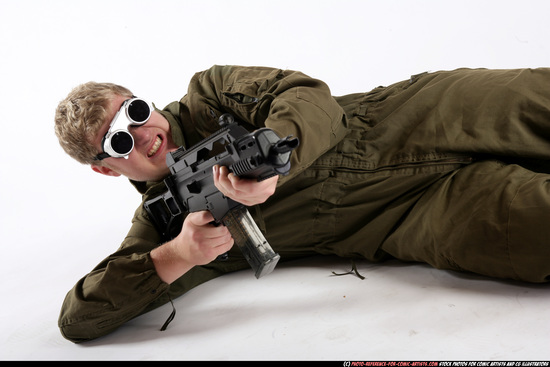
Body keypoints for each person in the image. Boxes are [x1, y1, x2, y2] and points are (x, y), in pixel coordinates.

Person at [54, 65, 550, 343]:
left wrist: (276, 159)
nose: (143, 135)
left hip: (418, 114)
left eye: (136, 112)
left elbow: (302, 93)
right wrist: (177, 256)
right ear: (104, 168)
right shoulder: (165, 223)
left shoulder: (209, 96)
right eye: (119, 142)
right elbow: (78, 318)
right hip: (410, 215)